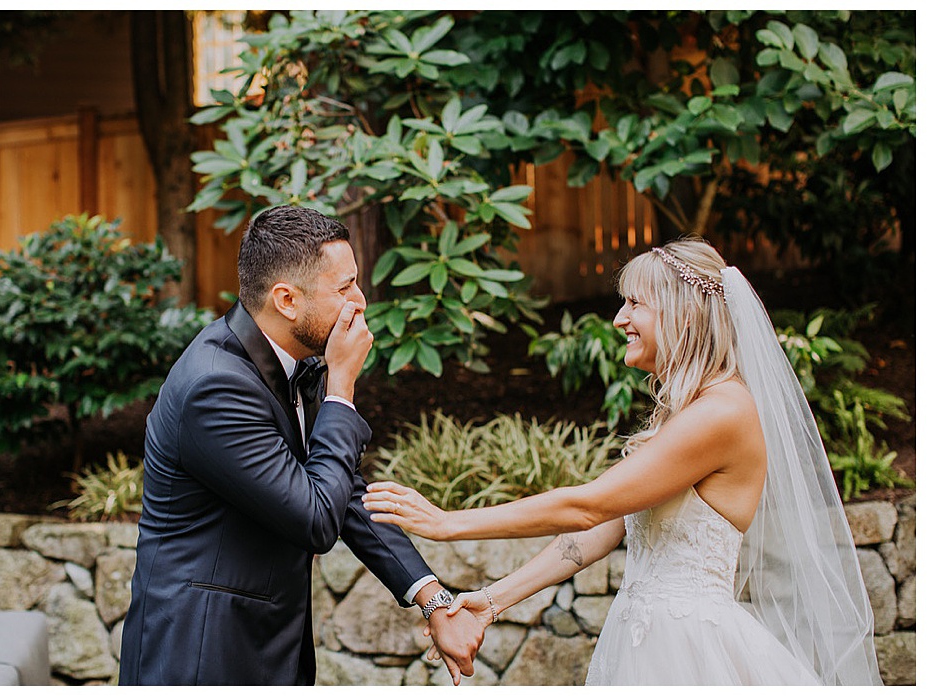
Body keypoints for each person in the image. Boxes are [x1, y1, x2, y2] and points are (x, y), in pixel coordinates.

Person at [364, 238, 881, 685]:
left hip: (689, 650)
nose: (620, 319)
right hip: (643, 638)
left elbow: (588, 505)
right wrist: (493, 600)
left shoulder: (723, 413)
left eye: (635, 304)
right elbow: (601, 530)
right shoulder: (688, 412)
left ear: (682, 312)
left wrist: (448, 524)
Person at [119, 205, 483, 686]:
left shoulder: (287, 362)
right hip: (202, 652)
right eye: (344, 288)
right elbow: (314, 519)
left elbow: (341, 488)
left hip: (268, 643)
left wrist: (431, 597)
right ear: (287, 300)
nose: (361, 302)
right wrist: (341, 390)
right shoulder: (215, 387)